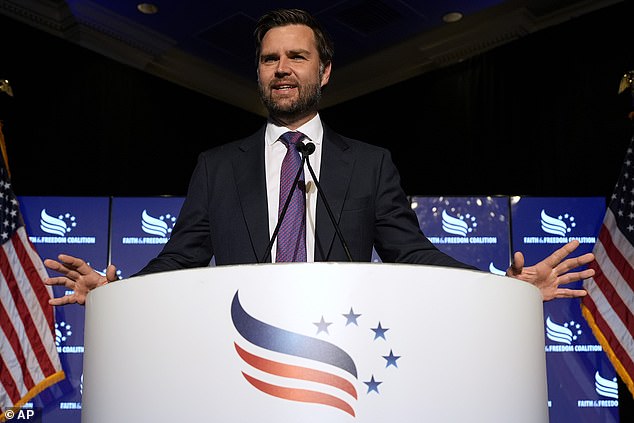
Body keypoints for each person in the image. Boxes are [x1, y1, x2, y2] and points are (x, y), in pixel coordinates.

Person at [43, 8, 595, 306]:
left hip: (342, 358)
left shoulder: (371, 164)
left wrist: (501, 290)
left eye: (296, 57)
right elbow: (180, 259)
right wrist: (118, 294)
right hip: (240, 353)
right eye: (268, 58)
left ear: (323, 71)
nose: (281, 68)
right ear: (258, 72)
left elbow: (412, 254)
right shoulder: (216, 166)